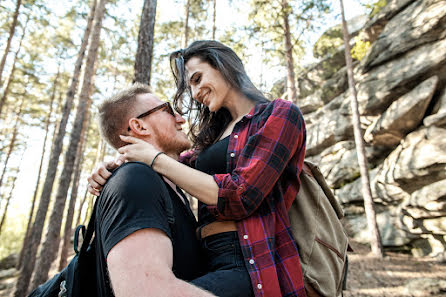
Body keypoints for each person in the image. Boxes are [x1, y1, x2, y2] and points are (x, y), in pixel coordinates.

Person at [89, 40, 307, 297]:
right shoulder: (213, 136)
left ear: (223, 66)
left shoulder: (279, 114)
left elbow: (242, 195)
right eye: (190, 86)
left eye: (197, 78)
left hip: (248, 262)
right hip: (206, 259)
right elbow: (170, 165)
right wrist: (116, 164)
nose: (194, 94)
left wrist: (154, 158)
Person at [93, 83, 216, 297]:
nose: (180, 119)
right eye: (168, 110)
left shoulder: (165, 187)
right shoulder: (135, 181)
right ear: (140, 127)